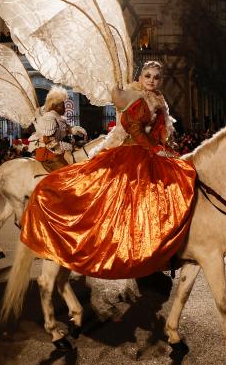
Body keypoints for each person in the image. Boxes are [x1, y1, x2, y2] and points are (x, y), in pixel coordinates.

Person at [19, 61, 197, 279]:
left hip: (151, 152)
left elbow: (160, 130)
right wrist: (157, 148)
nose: (152, 80)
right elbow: (134, 128)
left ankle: (166, 249)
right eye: (147, 76)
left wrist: (165, 146)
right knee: (126, 200)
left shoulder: (158, 98)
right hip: (134, 153)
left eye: (156, 77)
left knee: (174, 185)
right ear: (140, 78)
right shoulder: (135, 97)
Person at [27, 86, 76, 172]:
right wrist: (61, 148)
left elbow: (64, 131)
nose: (65, 108)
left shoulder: (59, 118)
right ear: (55, 106)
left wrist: (73, 130)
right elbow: (47, 139)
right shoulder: (49, 118)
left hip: (55, 152)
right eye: (62, 106)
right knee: (66, 172)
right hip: (48, 154)